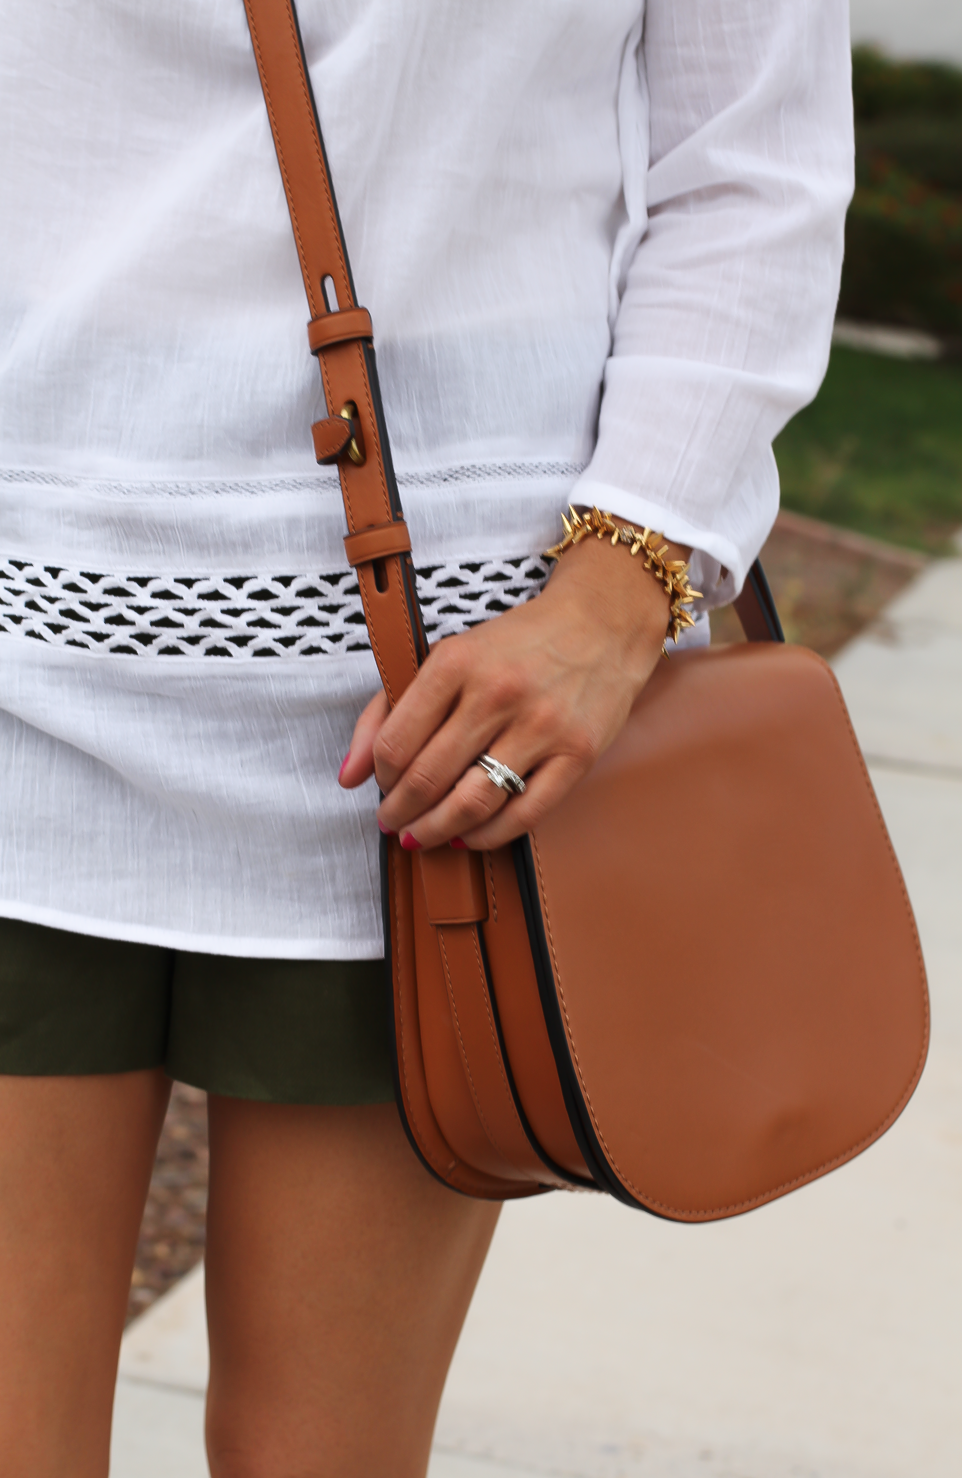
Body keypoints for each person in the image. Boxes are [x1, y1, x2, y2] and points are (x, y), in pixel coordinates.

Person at [0, 1, 854, 1473]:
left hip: (446, 734)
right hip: (24, 640)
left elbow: (750, 166)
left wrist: (613, 597)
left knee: (319, 1454)